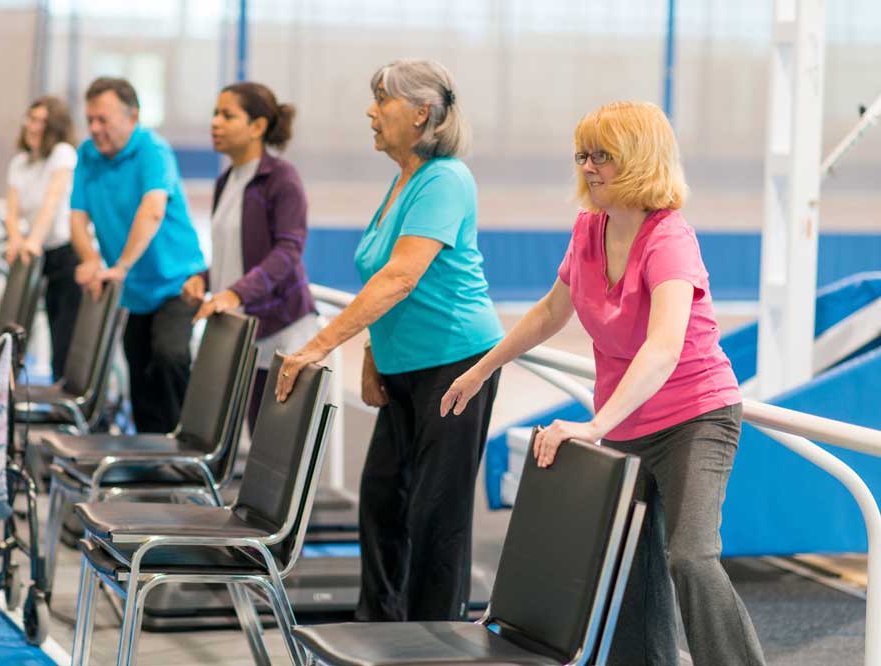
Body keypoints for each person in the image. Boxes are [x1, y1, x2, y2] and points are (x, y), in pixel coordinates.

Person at [440, 100, 765, 666]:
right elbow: (550, 311)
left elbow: (663, 349)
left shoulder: (670, 240)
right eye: (583, 156)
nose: (588, 168)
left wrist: (593, 426)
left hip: (695, 418)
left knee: (690, 557)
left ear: (640, 160)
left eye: (603, 157)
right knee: (626, 567)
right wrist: (481, 368)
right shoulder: (590, 229)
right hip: (628, 420)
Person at [275, 59, 504, 622]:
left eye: (383, 100)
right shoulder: (404, 178)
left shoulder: (447, 179)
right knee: (382, 500)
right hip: (406, 368)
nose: (370, 112)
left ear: (421, 112)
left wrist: (317, 346)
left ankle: (435, 643)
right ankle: (379, 630)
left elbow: (401, 277)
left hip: (457, 365)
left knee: (436, 514)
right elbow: (387, 276)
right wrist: (376, 355)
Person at [70, 77, 206, 434]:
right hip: (134, 290)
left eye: (104, 119)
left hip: (177, 282)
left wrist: (120, 266)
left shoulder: (153, 150)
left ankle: (187, 448)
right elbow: (77, 216)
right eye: (91, 120)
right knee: (140, 377)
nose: (96, 129)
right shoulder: (88, 154)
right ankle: (149, 458)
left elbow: (153, 209)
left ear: (133, 117)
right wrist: (90, 260)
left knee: (170, 356)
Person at [182, 82, 317, 431]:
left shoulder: (281, 179)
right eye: (215, 114)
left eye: (228, 115)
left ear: (257, 127)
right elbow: (237, 253)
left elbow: (288, 250)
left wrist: (234, 293)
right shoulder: (226, 180)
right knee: (250, 435)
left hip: (282, 331)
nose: (216, 123)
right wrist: (206, 278)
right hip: (244, 331)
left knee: (272, 442)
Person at [4, 96, 81, 380]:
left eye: (40, 121)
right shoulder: (20, 163)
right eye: (30, 118)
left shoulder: (62, 154)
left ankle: (68, 398)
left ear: (55, 127)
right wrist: (15, 239)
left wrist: (33, 240)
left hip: (66, 254)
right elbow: (11, 213)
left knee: (65, 335)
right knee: (28, 325)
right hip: (40, 255)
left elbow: (51, 203)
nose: (31, 125)